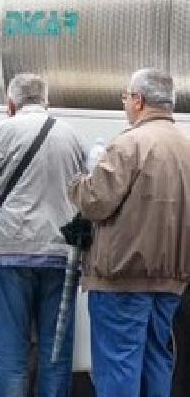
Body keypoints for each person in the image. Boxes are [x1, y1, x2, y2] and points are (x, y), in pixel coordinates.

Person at [0, 73, 86, 397]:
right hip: (62, 252)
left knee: (11, 349)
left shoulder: (1, 132)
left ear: (11, 104)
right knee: (55, 350)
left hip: (13, 248)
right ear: (47, 101)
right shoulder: (73, 136)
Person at [68, 68, 190, 397]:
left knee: (118, 364)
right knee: (156, 360)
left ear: (138, 100)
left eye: (126, 97)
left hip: (122, 276)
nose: (126, 104)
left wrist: (80, 181)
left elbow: (95, 203)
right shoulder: (186, 146)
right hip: (171, 279)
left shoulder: (130, 143)